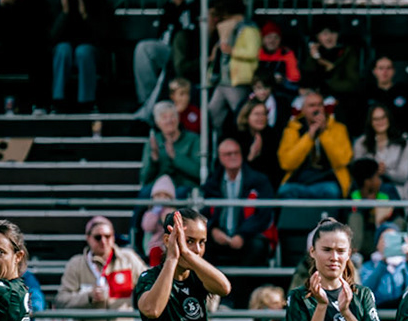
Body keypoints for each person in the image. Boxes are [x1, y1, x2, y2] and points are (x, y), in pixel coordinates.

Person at [58, 216, 145, 321]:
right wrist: (88, 297)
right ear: (88, 238)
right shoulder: (75, 264)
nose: (103, 241)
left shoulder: (128, 259)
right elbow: (62, 300)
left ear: (113, 237)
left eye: (108, 236)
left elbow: (149, 283)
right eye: (98, 237)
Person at [278, 90, 354, 228]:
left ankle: (329, 232)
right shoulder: (292, 130)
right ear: (303, 109)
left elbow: (342, 160)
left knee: (331, 191)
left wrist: (324, 133)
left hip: (326, 182)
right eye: (312, 105)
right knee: (285, 191)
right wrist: (309, 136)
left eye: (320, 105)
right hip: (300, 182)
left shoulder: (338, 128)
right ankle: (293, 234)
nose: (317, 109)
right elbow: (287, 163)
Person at [50, 0, 114, 112]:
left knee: (83, 51)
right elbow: (51, 37)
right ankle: (57, 100)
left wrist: (86, 15)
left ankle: (87, 102)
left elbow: (105, 36)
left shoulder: (99, 3)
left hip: (90, 51)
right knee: (63, 49)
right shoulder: (59, 2)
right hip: (65, 51)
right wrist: (64, 14)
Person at [201, 138, 276, 267]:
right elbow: (205, 212)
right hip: (220, 236)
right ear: (220, 158)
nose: (233, 157)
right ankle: (210, 287)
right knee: (200, 246)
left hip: (249, 236)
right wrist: (213, 230)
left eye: (237, 153)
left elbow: (264, 214)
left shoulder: (259, 181)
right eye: (228, 154)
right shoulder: (212, 182)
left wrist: (242, 235)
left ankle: (243, 288)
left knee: (257, 246)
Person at [132, 0, 198, 110]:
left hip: (185, 53)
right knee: (143, 49)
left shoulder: (195, 6)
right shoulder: (168, 8)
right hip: (168, 50)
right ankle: (147, 98)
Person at [206, 0, 261, 128]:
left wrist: (233, 51)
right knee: (213, 113)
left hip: (238, 81)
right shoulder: (230, 28)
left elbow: (253, 52)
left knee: (241, 114)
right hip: (223, 81)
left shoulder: (249, 29)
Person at [301, 17, 363, 106]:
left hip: (342, 100)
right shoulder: (313, 54)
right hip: (316, 99)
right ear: (317, 36)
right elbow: (306, 82)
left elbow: (352, 84)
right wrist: (314, 58)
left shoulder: (347, 52)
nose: (329, 37)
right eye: (324, 33)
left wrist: (330, 74)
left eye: (333, 33)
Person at [142, 99, 199, 195]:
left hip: (184, 186)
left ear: (178, 118)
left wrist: (175, 156)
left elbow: (198, 172)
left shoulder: (193, 139)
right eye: (164, 118)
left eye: (172, 116)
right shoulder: (153, 142)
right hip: (159, 188)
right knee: (145, 193)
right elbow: (144, 178)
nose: (169, 121)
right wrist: (154, 160)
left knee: (180, 194)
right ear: (157, 122)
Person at [354, 103, 408, 192]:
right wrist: (373, 170)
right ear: (370, 122)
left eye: (383, 118)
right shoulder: (361, 143)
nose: (380, 122)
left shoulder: (404, 143)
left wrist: (386, 171)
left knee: (387, 189)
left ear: (389, 119)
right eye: (376, 119)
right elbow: (358, 173)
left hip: (396, 190)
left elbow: (403, 176)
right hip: (368, 191)